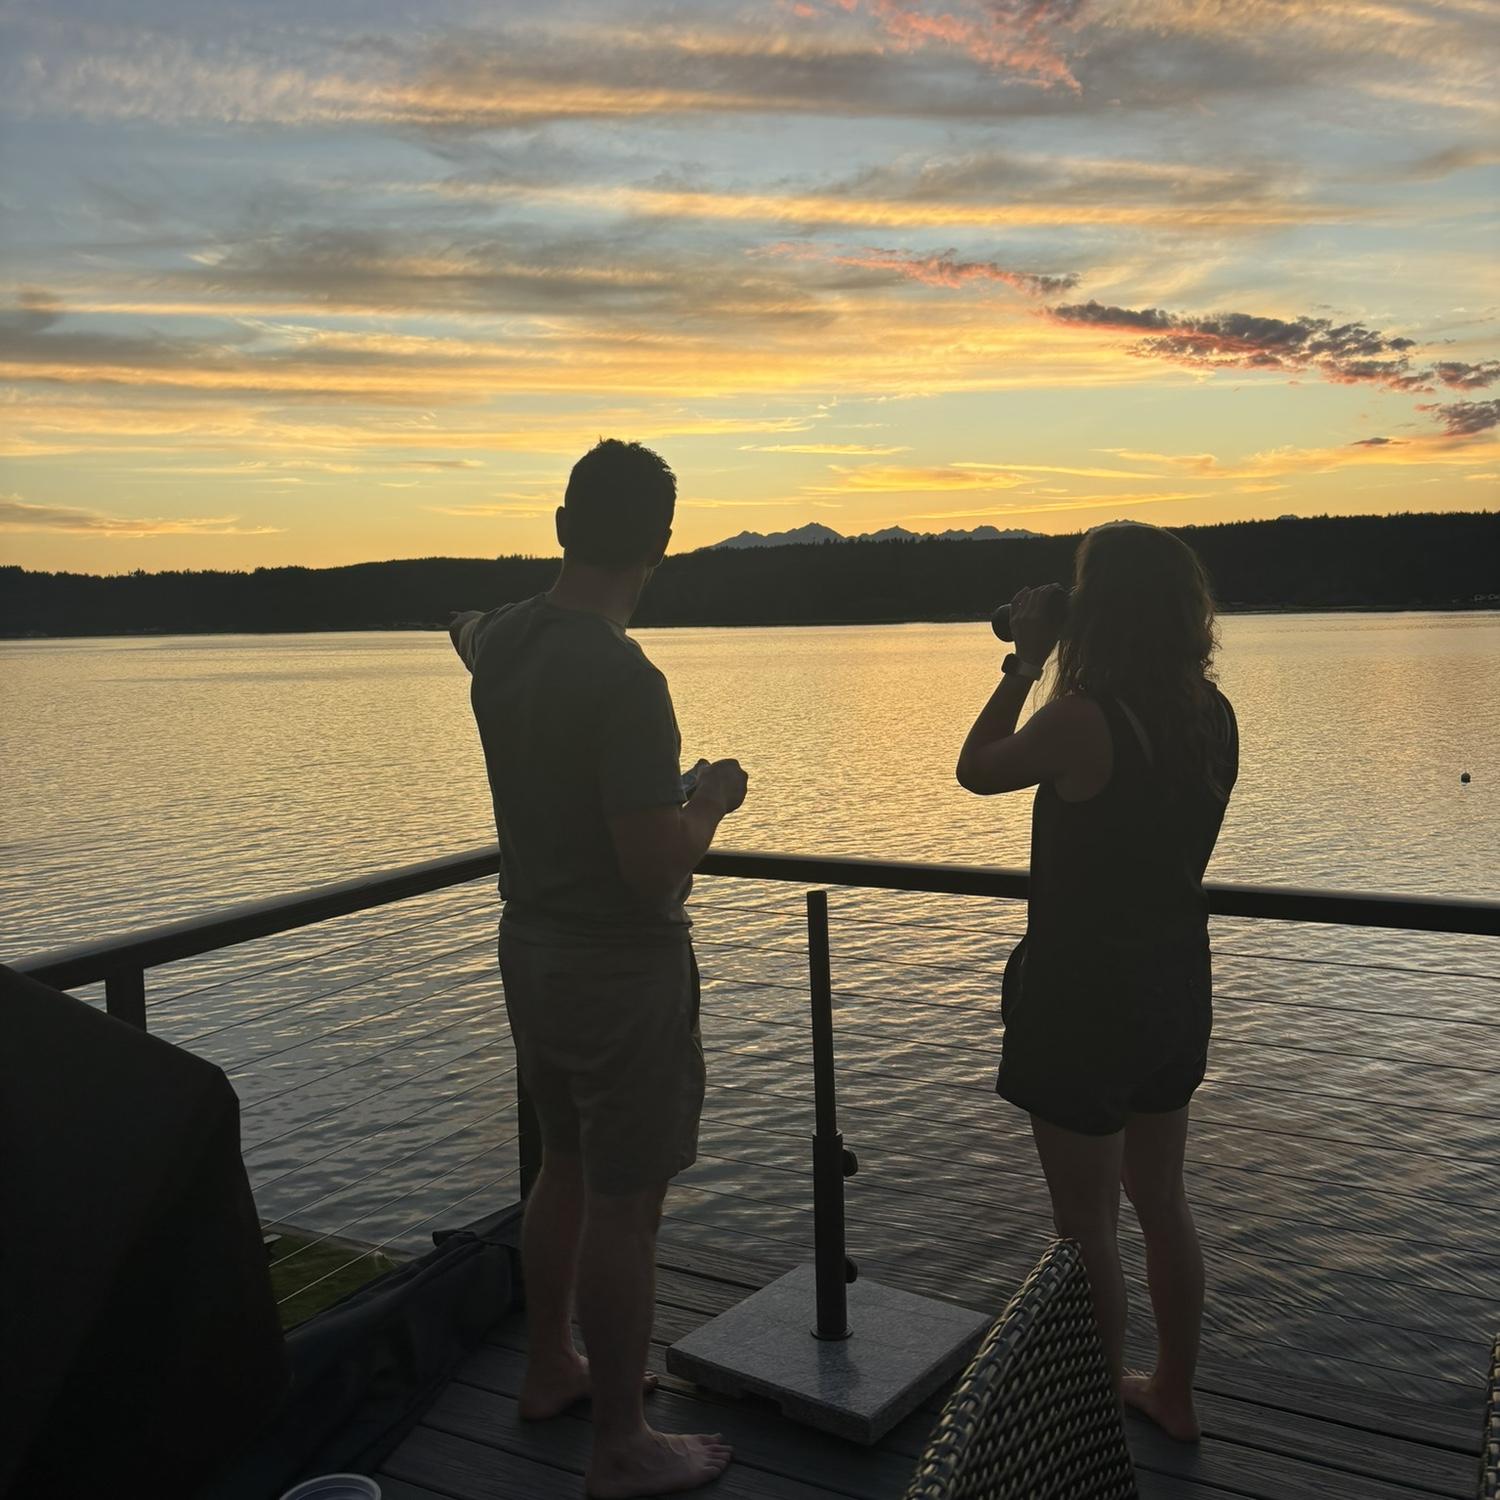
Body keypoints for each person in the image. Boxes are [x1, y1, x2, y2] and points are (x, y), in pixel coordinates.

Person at [450, 439, 747, 1498]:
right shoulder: (627, 678)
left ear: (564, 526)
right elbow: (651, 865)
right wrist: (708, 799)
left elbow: (463, 628)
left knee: (564, 1169)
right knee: (626, 1205)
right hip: (619, 970)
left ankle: (550, 1369)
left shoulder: (503, 641)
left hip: (530, 948)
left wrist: (475, 628)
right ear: (659, 546)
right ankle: (621, 1443)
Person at [955, 521, 1238, 1443]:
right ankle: (1174, 1393)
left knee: (1084, 1230)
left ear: (1098, 612)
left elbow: (976, 767)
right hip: (1173, 986)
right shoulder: (1212, 714)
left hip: (1083, 999)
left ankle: (1093, 1425)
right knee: (1163, 1201)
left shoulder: (1083, 720)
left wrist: (1024, 661)